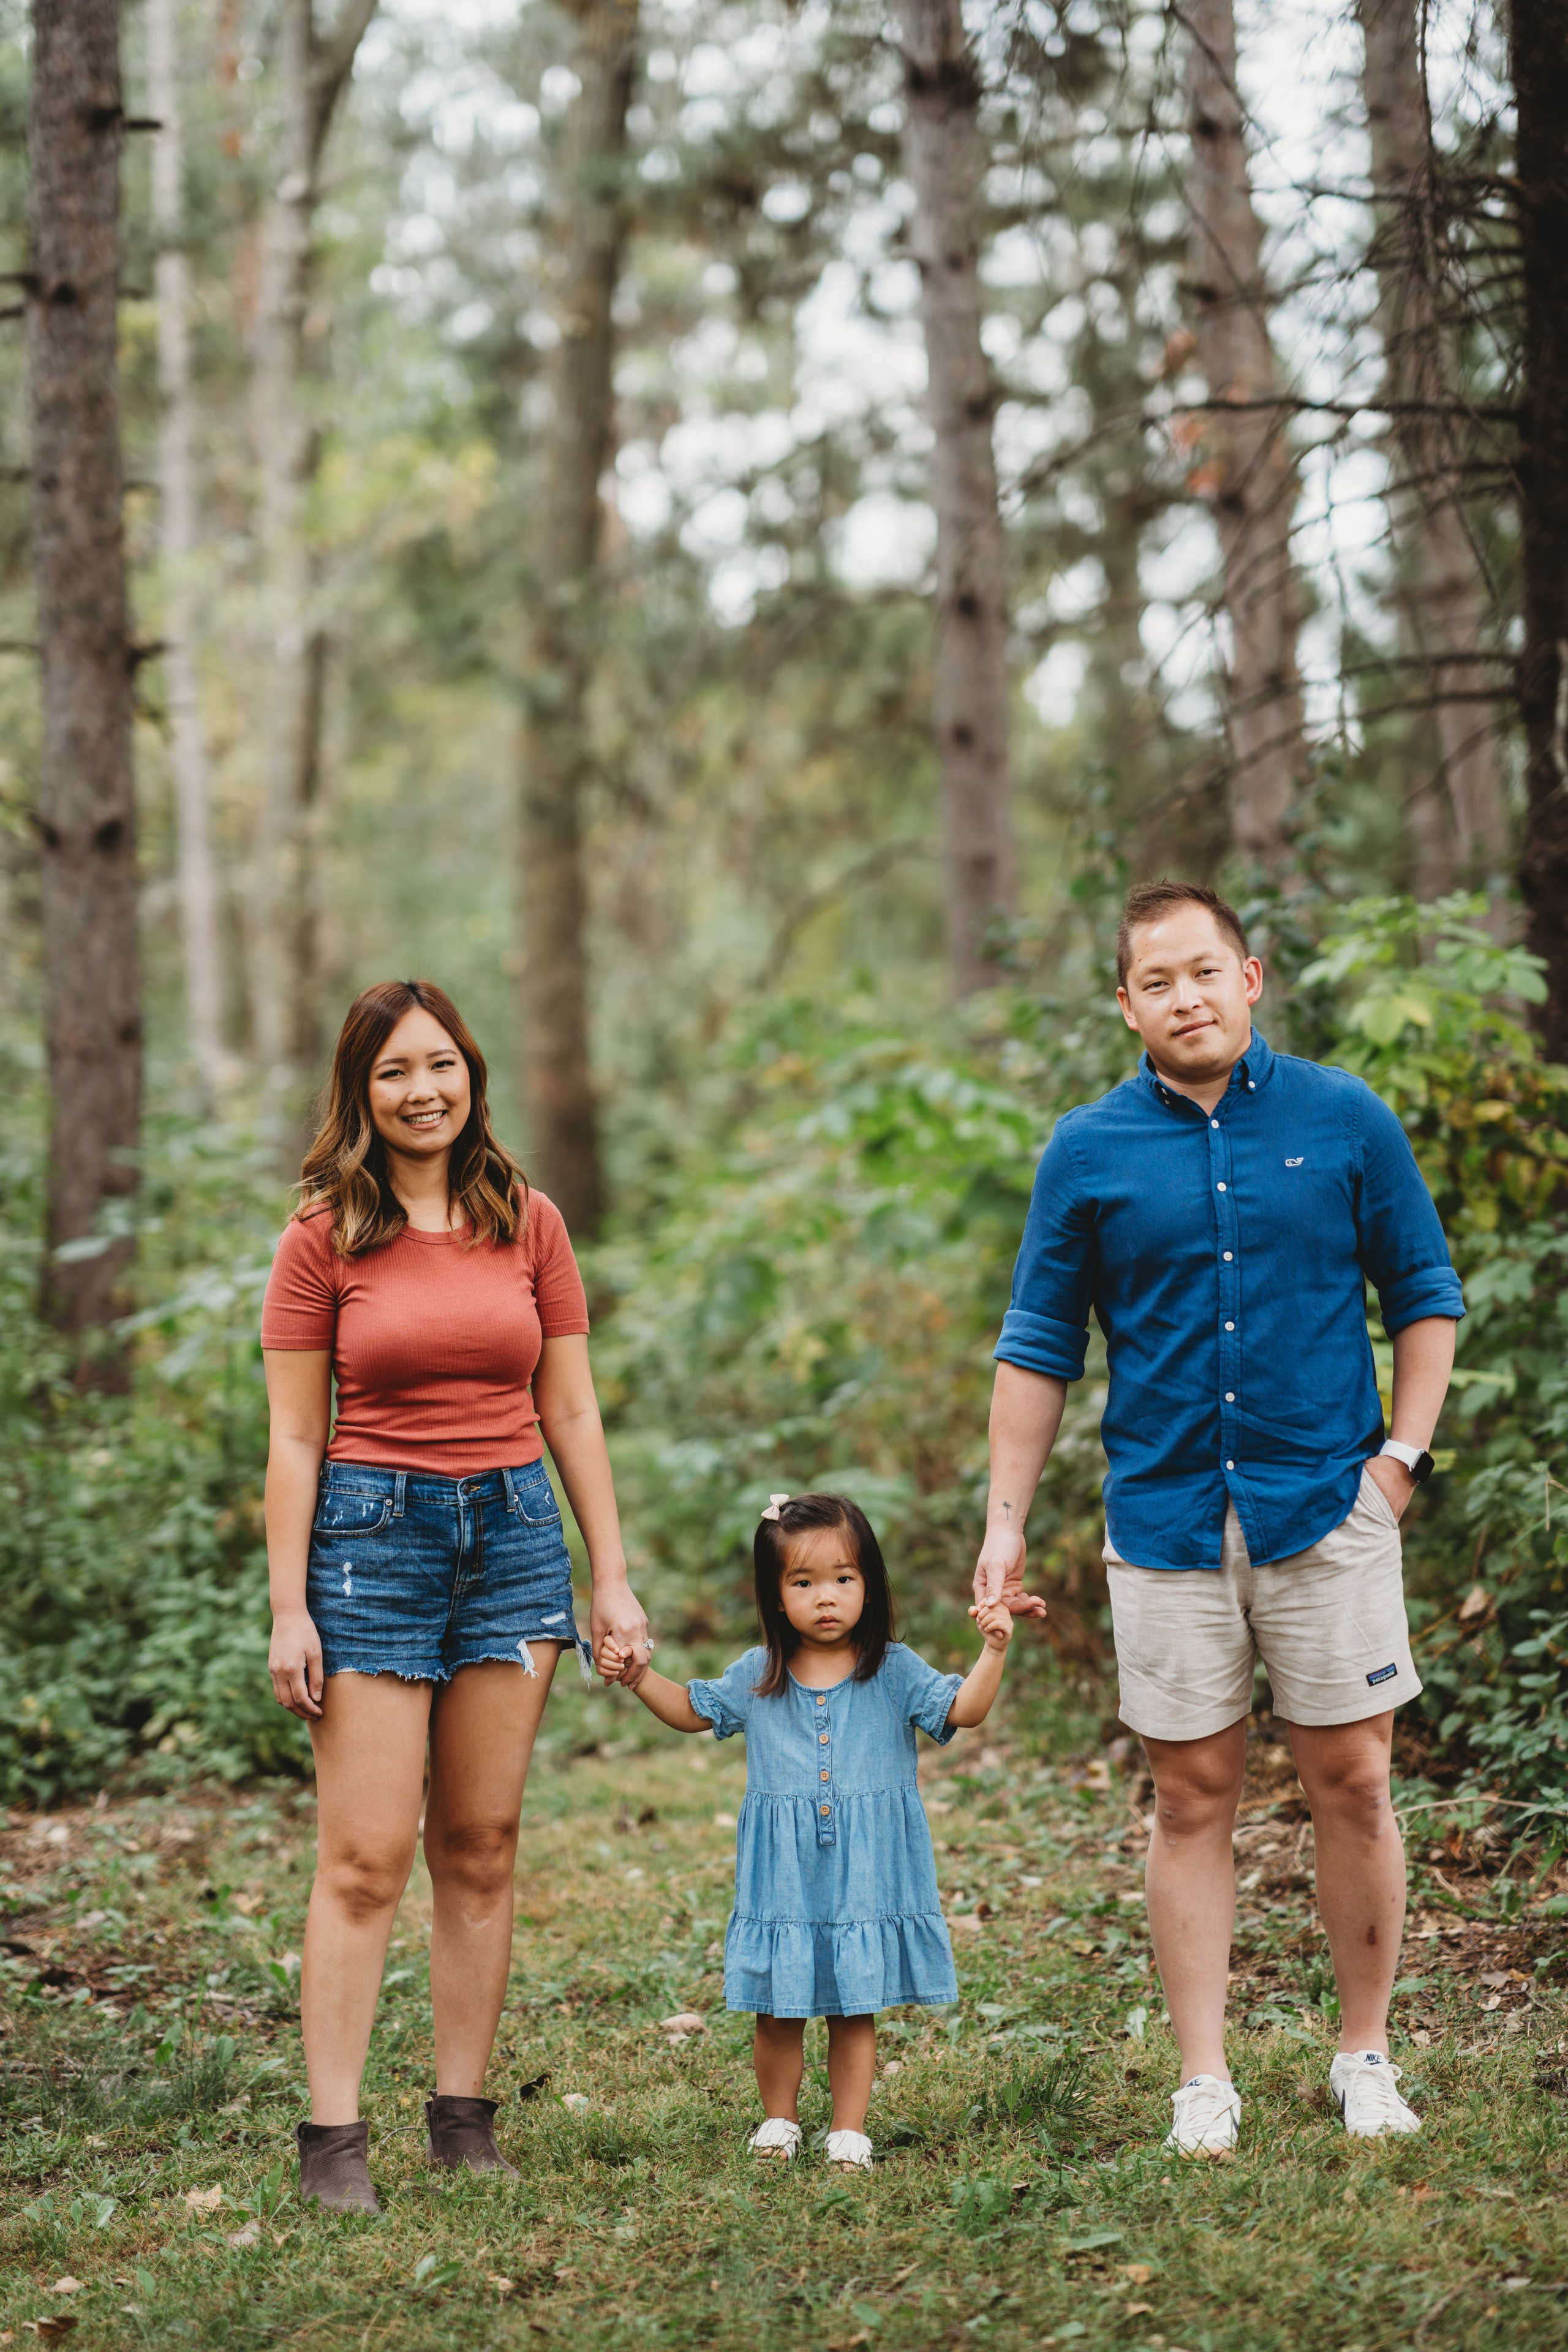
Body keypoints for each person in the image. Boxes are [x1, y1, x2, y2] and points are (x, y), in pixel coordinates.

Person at [974, 881, 1462, 2155]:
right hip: (1165, 1517)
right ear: (1123, 1005)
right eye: (1156, 981)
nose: (1184, 998)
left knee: (1351, 1783)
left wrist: (1399, 1461)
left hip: (1326, 1506)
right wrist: (1002, 1522)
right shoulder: (1085, 1151)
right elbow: (1036, 1349)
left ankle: (1362, 2053)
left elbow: (1422, 1294)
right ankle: (1205, 2076)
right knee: (1190, 1798)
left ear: (1248, 979)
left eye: (1204, 973)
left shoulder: (1341, 1117)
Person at [262, 978, 649, 2214]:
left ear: (471, 1075)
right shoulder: (321, 1238)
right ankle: (333, 2138)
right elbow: (294, 1442)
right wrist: (289, 1606)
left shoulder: (527, 1221)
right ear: (358, 1094)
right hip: (371, 1545)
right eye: (392, 1072)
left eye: (441, 1065)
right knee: (366, 1856)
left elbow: (571, 1408)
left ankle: (463, 2117)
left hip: (516, 1540)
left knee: (479, 1845)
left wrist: (613, 1575)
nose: (422, 1090)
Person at [600, 1491, 1013, 2170]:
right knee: (778, 2005)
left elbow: (963, 1710)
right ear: (775, 1595)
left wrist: (992, 1651)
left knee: (855, 2004)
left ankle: (849, 2130)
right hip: (783, 1872)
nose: (827, 1598)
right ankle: (779, 2121)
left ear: (870, 1585)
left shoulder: (893, 1668)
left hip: (865, 1870)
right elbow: (689, 1710)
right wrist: (641, 1675)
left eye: (844, 1579)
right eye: (804, 1582)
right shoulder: (758, 1674)